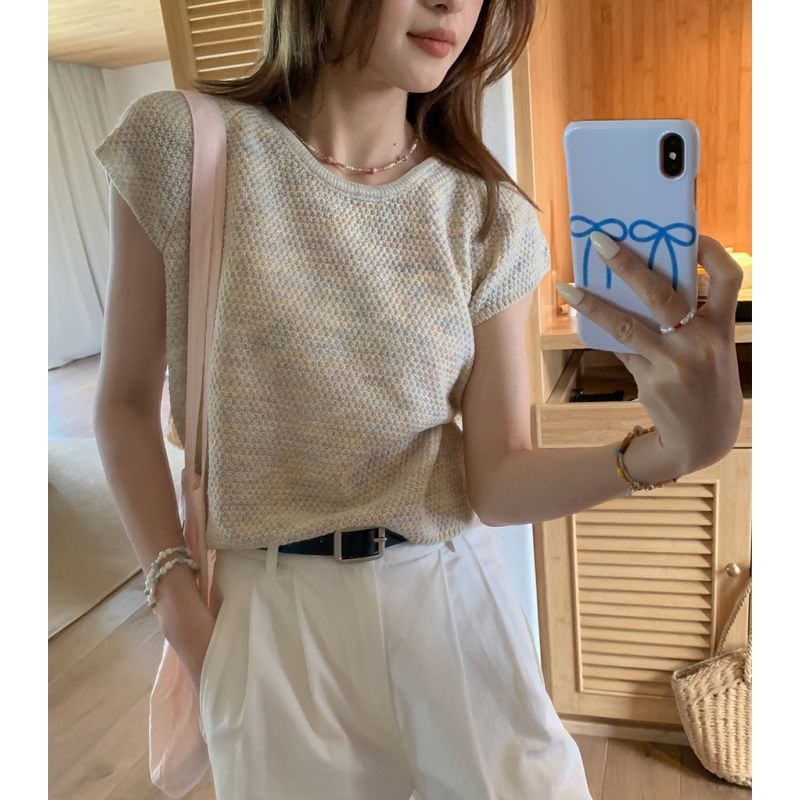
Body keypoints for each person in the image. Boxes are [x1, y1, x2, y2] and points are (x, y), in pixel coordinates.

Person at [92, 1, 744, 798]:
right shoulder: (186, 146)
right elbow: (124, 403)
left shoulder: (488, 215)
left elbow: (498, 478)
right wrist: (173, 597)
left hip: (448, 600)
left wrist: (665, 454)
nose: (452, 4)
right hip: (268, 622)